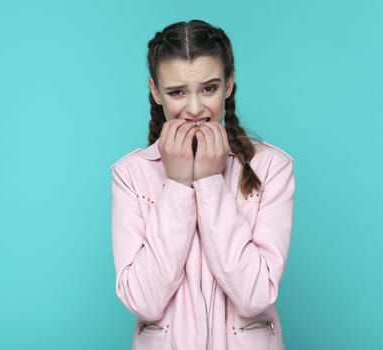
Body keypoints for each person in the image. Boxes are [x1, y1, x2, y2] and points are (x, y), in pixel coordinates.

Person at [111, 19, 295, 350]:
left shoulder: (272, 168)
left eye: (208, 88)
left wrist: (210, 181)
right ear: (155, 91)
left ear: (228, 85)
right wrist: (178, 184)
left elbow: (254, 295)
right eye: (177, 92)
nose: (195, 109)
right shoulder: (130, 174)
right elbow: (143, 301)